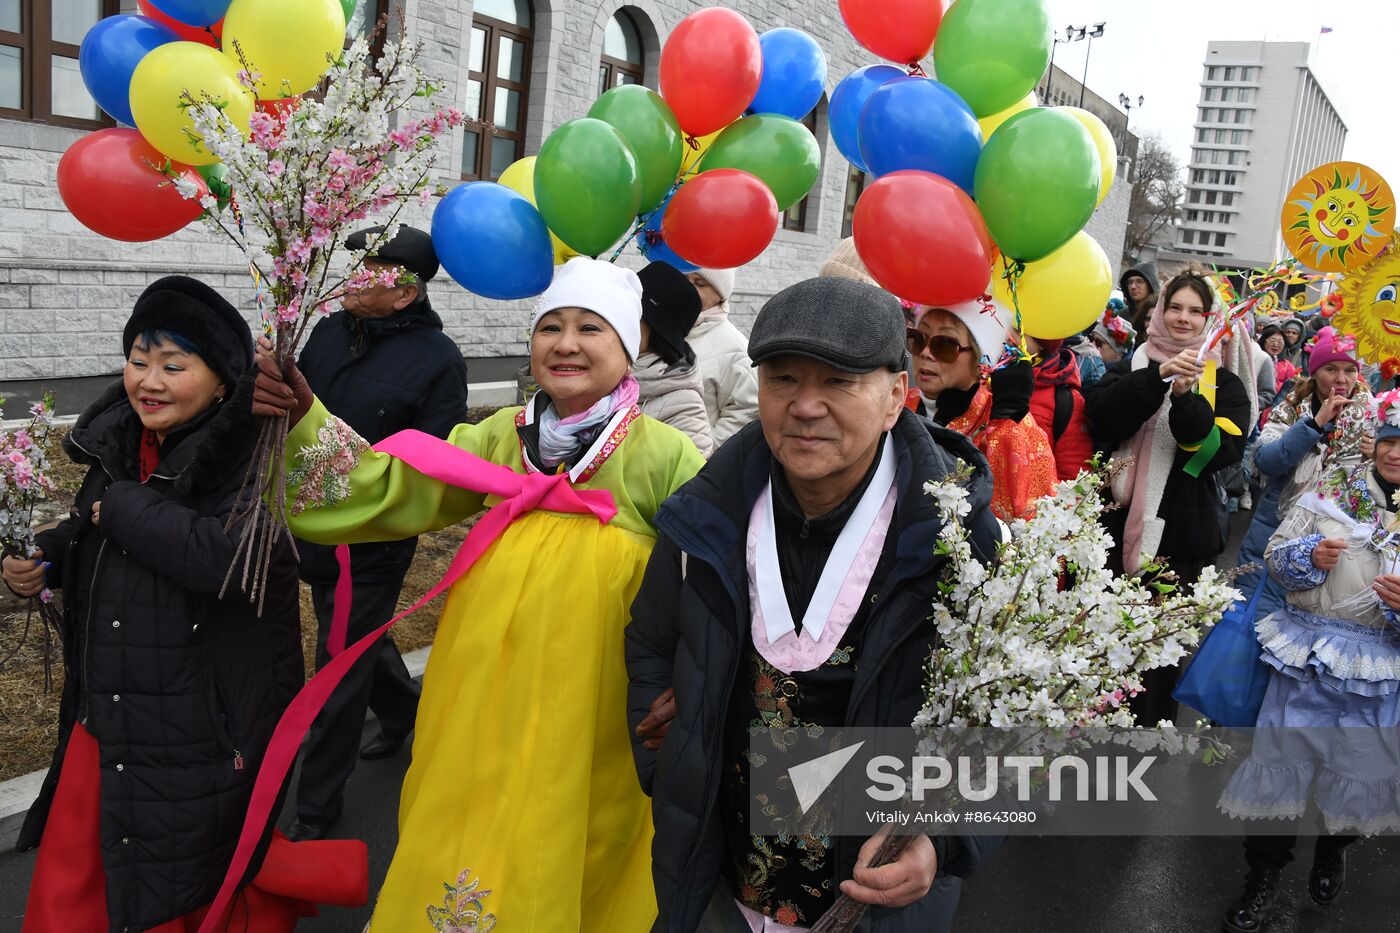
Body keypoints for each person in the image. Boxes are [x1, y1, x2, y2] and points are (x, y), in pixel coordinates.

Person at [252, 256, 706, 931]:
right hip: (483, 680)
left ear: (632, 342)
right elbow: (394, 482)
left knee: (583, 820)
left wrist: (689, 679)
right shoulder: (499, 437)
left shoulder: (667, 454)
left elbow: (712, 574)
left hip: (597, 693)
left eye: (591, 327)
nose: (567, 343)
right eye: (550, 326)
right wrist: (302, 418)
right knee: (469, 807)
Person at [625, 276, 1003, 932]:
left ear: (894, 397)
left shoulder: (956, 537)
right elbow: (652, 644)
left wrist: (939, 839)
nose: (804, 406)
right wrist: (674, 764)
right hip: (720, 883)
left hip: (874, 900)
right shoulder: (705, 513)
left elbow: (1004, 725)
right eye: (783, 379)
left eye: (837, 382)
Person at [7, 277, 362, 931]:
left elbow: (222, 558)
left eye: (174, 364)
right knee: (78, 890)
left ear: (224, 379)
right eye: (139, 360)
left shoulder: (255, 453)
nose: (150, 379)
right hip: (109, 717)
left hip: (200, 732)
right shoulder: (120, 441)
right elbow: (92, 528)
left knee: (183, 891)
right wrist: (47, 557)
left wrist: (117, 506)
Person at [286, 225, 467, 842]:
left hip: (372, 541)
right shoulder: (328, 332)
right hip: (306, 520)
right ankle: (402, 710)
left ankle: (315, 810)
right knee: (358, 642)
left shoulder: (439, 361)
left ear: (405, 293)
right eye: (355, 263)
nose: (353, 276)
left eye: (371, 269)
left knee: (336, 665)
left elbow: (431, 461)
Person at [1216, 390, 1400, 933]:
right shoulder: (1332, 491)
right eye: (1390, 441)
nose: (1396, 454)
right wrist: (1309, 559)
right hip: (1310, 657)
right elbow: (1277, 557)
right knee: (1280, 769)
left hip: (1381, 670)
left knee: (1357, 774)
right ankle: (1264, 876)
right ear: (1376, 444)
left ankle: (1332, 850)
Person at [1083, 269, 1255, 724]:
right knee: (1104, 639)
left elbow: (1221, 455)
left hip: (1180, 540)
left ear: (1209, 319)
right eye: (1175, 307)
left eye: (1195, 311)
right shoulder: (1134, 363)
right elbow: (1101, 419)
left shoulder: (1223, 382)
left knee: (1157, 653)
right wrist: (1157, 378)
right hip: (1115, 530)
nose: (1183, 318)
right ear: (1159, 311)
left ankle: (1144, 741)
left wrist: (1186, 399)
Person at [1235, 327, 1370, 625]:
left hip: (1333, 544)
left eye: (1349, 370)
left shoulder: (1371, 416)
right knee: (1251, 623)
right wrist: (1315, 423)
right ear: (1315, 372)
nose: (1341, 379)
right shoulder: (1293, 408)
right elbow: (1267, 461)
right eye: (1330, 369)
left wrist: (1376, 455)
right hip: (1273, 532)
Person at [908, 299, 1056, 522]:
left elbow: (1026, 522)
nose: (926, 353)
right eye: (918, 339)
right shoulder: (896, 404)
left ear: (979, 357)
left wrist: (1006, 426)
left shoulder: (1006, 421)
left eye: (946, 345)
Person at [637, 261, 714, 456]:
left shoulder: (684, 407)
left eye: (634, 316)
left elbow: (692, 480)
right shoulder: (604, 370)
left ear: (657, 333)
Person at [687, 266, 760, 447]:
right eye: (683, 278)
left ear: (720, 294)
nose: (687, 288)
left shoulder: (735, 347)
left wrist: (704, 452)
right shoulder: (662, 329)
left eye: (700, 283)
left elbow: (746, 411)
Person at [1025, 335, 1095, 482]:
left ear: (1042, 343)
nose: (1007, 336)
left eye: (1019, 330)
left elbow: (1073, 479)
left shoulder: (1065, 399)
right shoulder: (981, 376)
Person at [1121, 261, 1160, 340]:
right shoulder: (1122, 316)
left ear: (1150, 285)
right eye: (1130, 282)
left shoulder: (1160, 315)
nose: (1133, 286)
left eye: (1139, 281)